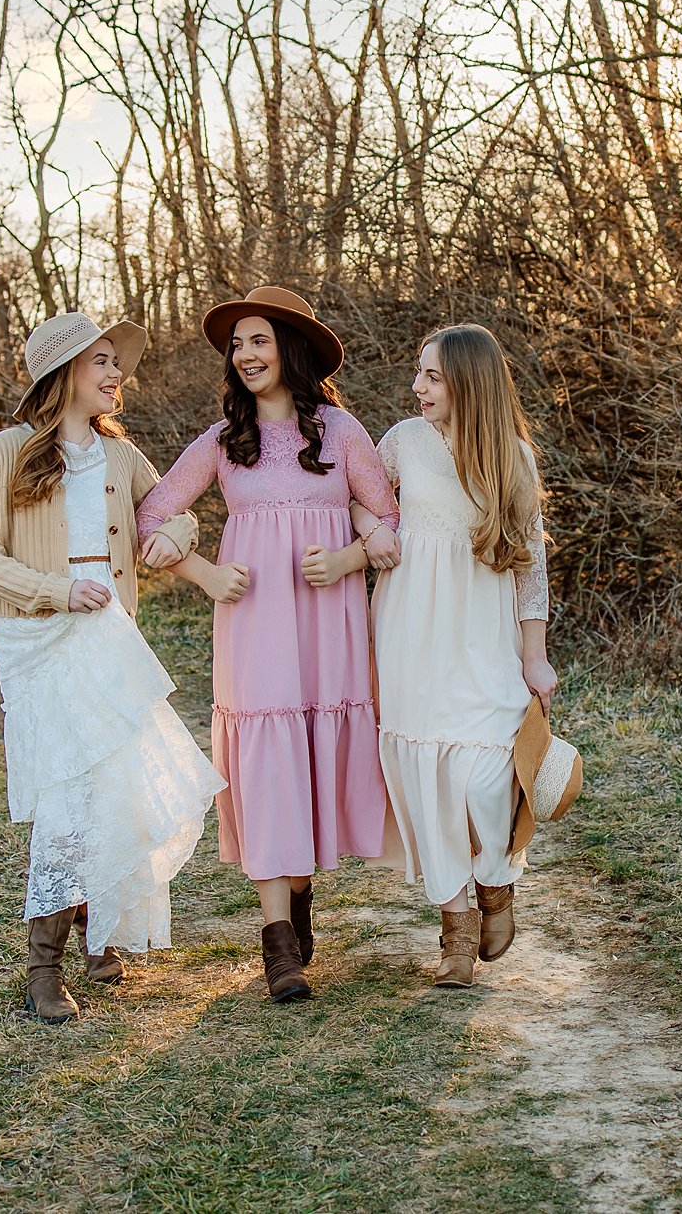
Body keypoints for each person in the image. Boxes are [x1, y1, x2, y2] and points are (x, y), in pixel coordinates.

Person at [0, 312, 226, 1024]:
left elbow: (174, 509)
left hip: (109, 633)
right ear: (63, 371)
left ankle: (99, 933)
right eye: (100, 361)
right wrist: (56, 591)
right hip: (39, 638)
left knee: (116, 781)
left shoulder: (119, 455)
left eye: (117, 363)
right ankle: (42, 968)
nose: (116, 375)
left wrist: (170, 535)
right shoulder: (4, 454)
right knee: (66, 794)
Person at [136, 286, 402, 1003]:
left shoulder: (342, 433)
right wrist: (203, 571)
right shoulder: (224, 442)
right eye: (237, 345)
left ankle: (300, 893)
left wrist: (347, 559)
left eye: (258, 340)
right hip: (254, 621)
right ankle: (277, 941)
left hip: (327, 620)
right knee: (265, 753)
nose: (245, 354)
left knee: (312, 748)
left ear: (291, 349)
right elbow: (152, 516)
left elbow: (391, 521)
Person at [354, 323, 555, 988]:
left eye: (432, 376)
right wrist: (373, 528)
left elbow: (530, 567)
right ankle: (455, 935)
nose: (417, 387)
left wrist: (536, 656)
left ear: (468, 381)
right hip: (411, 629)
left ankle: (496, 881)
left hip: (483, 633)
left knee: (484, 776)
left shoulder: (513, 459)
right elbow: (358, 497)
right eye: (419, 373)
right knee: (426, 779)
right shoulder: (401, 444)